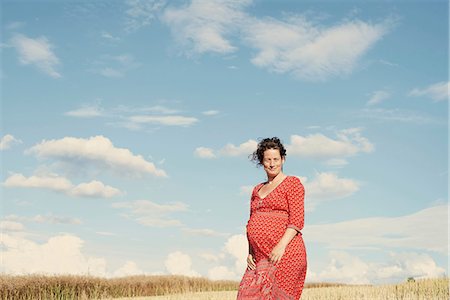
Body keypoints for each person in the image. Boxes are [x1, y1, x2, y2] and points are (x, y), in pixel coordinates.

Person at [237, 137, 307, 300]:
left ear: (283, 159)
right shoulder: (256, 189)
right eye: (268, 160)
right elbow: (251, 222)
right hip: (259, 256)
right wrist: (250, 252)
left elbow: (296, 220)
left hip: (286, 253)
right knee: (246, 295)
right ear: (262, 162)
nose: (272, 163)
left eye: (276, 159)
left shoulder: (292, 183)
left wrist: (281, 246)